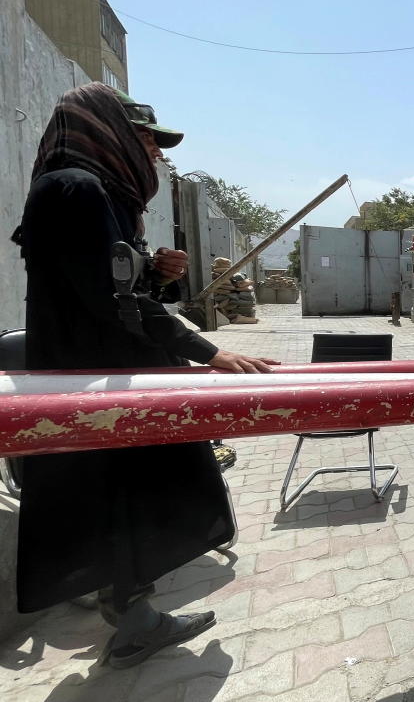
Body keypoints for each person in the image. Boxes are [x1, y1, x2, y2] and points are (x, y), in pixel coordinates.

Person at [11, 83, 274, 669]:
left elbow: (114, 290)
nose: (157, 153)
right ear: (107, 131)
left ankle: (130, 614)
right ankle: (132, 620)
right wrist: (208, 354)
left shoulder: (95, 194)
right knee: (140, 492)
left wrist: (156, 272)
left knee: (125, 497)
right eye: (149, 139)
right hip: (100, 380)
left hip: (105, 372)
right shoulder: (74, 190)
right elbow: (112, 302)